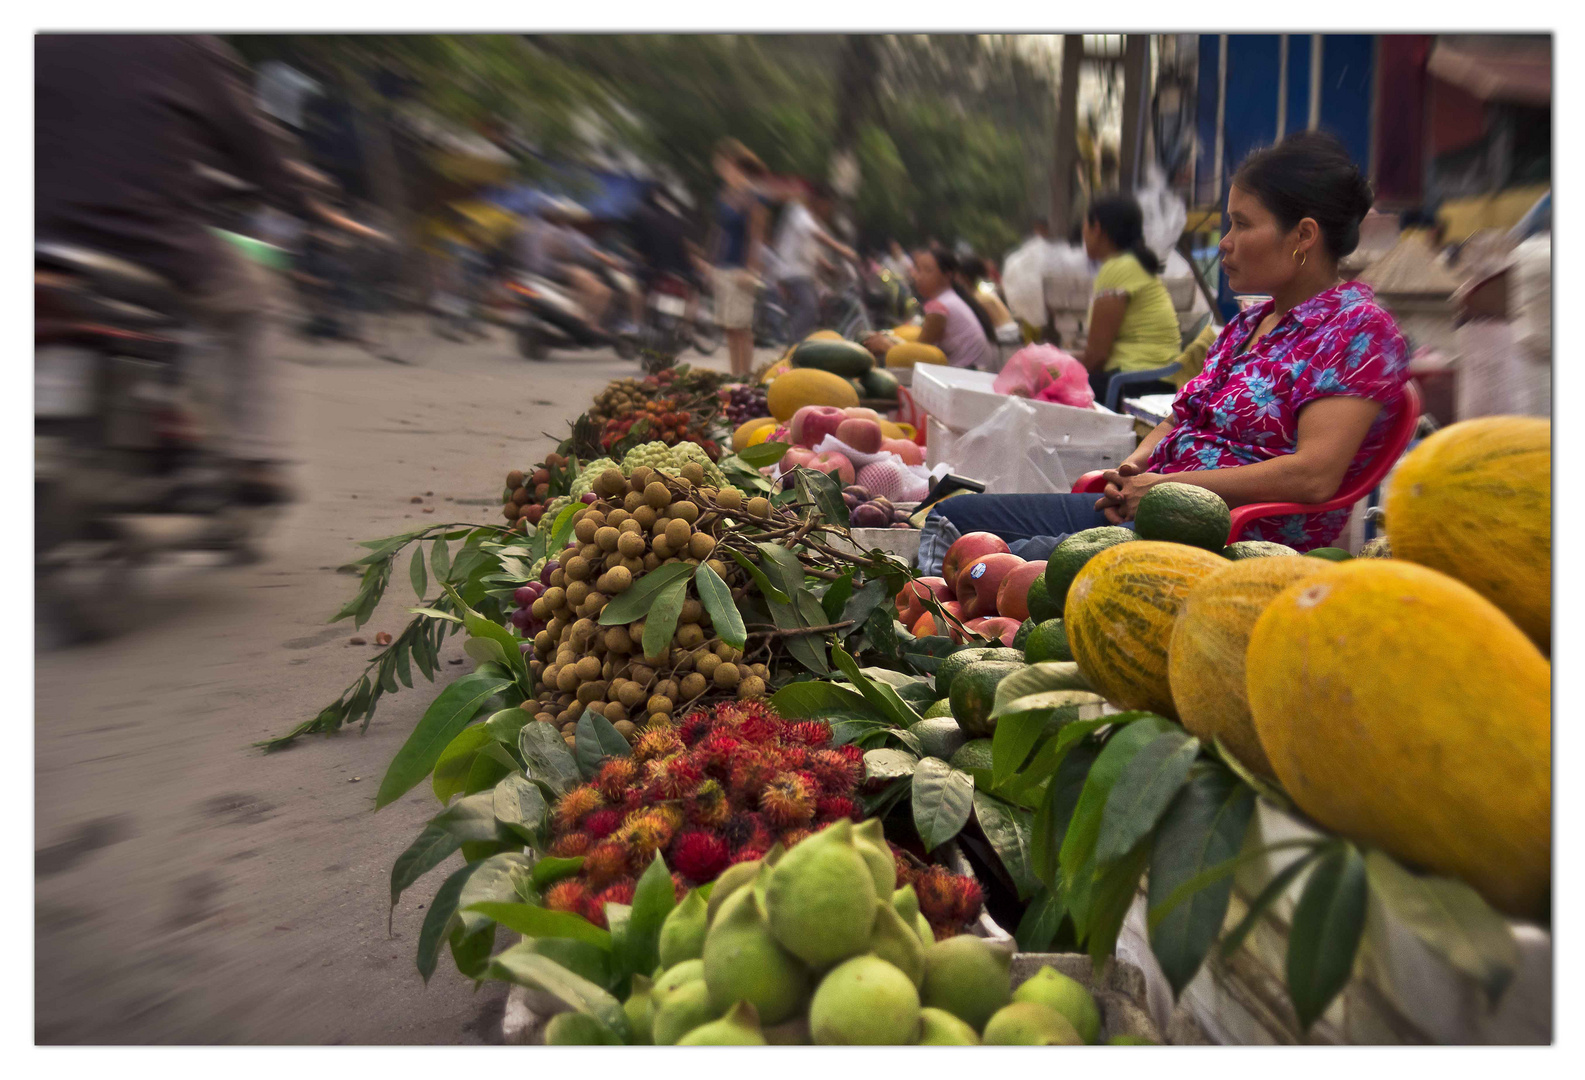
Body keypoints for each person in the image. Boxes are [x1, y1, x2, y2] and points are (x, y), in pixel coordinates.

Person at [919, 130, 1406, 562]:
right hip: (1150, 509)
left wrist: (1166, 488)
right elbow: (1181, 416)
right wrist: (1135, 469)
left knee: (993, 566)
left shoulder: (1356, 332)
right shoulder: (1253, 321)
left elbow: (1313, 476)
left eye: (1242, 224)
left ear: (1303, 235)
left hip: (1224, 542)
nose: (1224, 243)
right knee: (952, 520)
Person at [36, 34, 384, 503]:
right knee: (257, 306)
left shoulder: (40, 43)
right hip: (148, 240)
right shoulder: (185, 47)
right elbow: (258, 151)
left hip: (37, 241)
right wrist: (312, 209)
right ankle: (255, 458)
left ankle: (164, 413)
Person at [1076, 193, 1183, 402]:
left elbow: (1097, 356)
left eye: (1084, 228)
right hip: (1149, 377)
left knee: (1050, 391)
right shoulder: (1132, 264)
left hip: (1136, 380)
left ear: (1096, 228)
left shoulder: (1118, 268)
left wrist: (1058, 372)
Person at [707, 139, 770, 377]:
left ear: (732, 163)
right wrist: (709, 262)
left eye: (721, 162)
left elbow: (757, 236)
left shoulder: (754, 196)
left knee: (742, 327)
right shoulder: (724, 195)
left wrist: (751, 269)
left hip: (741, 268)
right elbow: (718, 231)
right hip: (723, 266)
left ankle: (745, 378)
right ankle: (735, 377)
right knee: (729, 328)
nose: (718, 167)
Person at [771, 181, 858, 340]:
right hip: (792, 273)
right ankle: (791, 347)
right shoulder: (799, 212)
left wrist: (828, 267)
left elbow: (811, 251)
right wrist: (842, 249)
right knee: (810, 309)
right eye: (828, 205)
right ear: (819, 201)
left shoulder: (812, 218)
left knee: (822, 305)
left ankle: (801, 341)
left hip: (804, 273)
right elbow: (814, 233)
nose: (829, 210)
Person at [908, 247, 998, 371]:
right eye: (918, 270)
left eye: (927, 270)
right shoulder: (951, 299)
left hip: (968, 377)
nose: (918, 277)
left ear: (947, 276)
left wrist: (888, 345)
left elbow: (915, 352)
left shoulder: (939, 307)